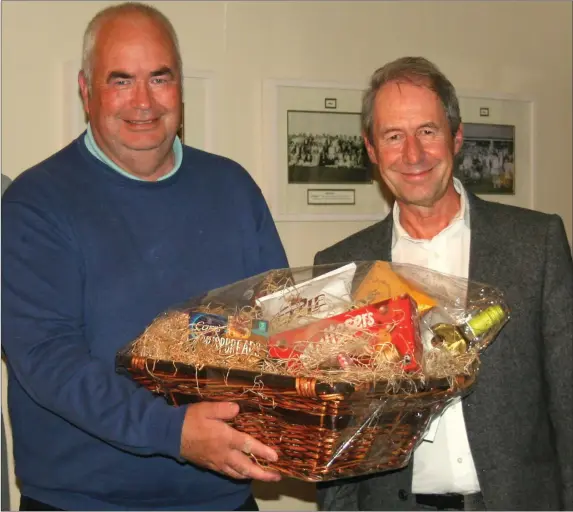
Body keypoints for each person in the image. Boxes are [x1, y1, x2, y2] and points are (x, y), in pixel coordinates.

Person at [1, 3, 288, 511]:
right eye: (120, 81)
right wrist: (174, 432)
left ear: (180, 86)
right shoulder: (35, 203)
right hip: (85, 503)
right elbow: (48, 359)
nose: (143, 102)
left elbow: (275, 325)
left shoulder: (232, 187)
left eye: (159, 78)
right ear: (86, 91)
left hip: (222, 499)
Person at [313, 56, 572, 511]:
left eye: (427, 131)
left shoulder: (537, 244)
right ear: (371, 150)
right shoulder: (341, 268)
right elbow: (334, 428)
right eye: (394, 136)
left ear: (456, 136)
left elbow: (568, 401)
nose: (412, 155)